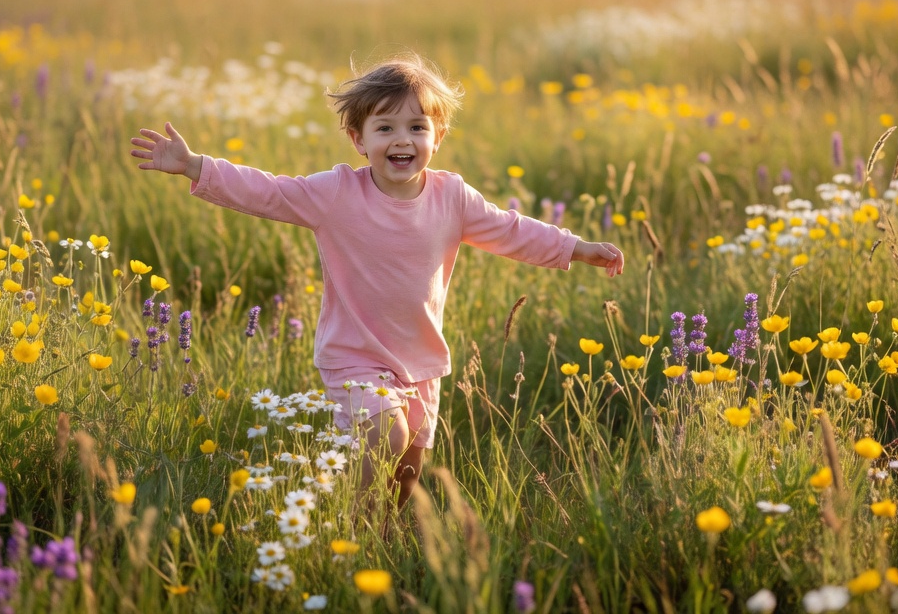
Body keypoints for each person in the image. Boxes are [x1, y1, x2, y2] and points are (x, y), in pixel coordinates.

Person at [129, 54, 624, 507]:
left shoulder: (453, 197)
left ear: (438, 136)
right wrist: (196, 166)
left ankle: (380, 534)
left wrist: (576, 248)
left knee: (408, 468)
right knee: (383, 438)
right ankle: (355, 529)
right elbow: (271, 192)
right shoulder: (337, 193)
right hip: (355, 355)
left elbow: (511, 230)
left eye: (416, 126)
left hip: (420, 359)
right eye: (385, 128)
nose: (402, 140)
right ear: (359, 139)